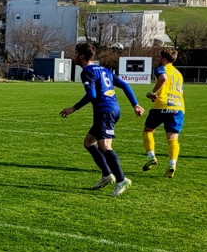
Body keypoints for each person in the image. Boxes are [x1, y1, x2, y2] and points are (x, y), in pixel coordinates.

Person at [60, 41, 144, 196]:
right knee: (88, 142)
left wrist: (73, 108)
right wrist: (135, 104)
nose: (75, 56)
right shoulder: (105, 70)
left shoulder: (87, 72)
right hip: (113, 110)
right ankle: (107, 175)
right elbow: (125, 85)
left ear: (82, 56)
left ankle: (121, 179)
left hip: (104, 111)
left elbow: (92, 95)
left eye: (76, 54)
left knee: (105, 147)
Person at [142, 47, 185, 179]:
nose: (159, 59)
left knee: (148, 130)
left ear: (164, 58)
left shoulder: (161, 68)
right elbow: (181, 92)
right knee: (173, 138)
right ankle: (172, 164)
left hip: (162, 105)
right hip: (178, 107)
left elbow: (163, 78)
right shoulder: (178, 74)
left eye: (160, 57)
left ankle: (151, 156)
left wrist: (153, 92)